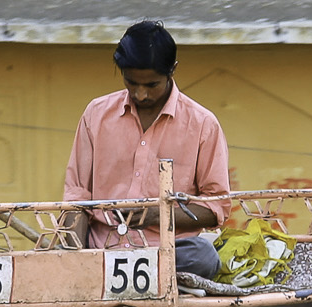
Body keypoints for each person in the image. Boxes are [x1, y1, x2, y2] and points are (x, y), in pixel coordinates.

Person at [62, 20, 230, 279]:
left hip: (169, 253)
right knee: (51, 254)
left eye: (151, 85)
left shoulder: (203, 124)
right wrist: (72, 254)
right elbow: (77, 197)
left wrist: (157, 215)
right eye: (132, 83)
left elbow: (215, 208)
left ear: (172, 71)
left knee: (204, 257)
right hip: (103, 251)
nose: (140, 95)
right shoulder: (96, 114)